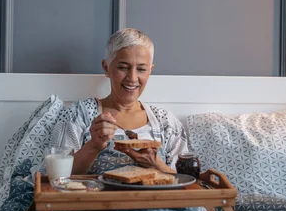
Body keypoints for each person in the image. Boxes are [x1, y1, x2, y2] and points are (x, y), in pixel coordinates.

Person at [50, 28, 189, 175]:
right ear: (106, 68)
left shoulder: (166, 122)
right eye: (123, 67)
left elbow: (185, 182)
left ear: (150, 70)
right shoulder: (79, 114)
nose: (132, 78)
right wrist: (94, 146)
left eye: (141, 69)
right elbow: (56, 175)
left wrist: (155, 164)